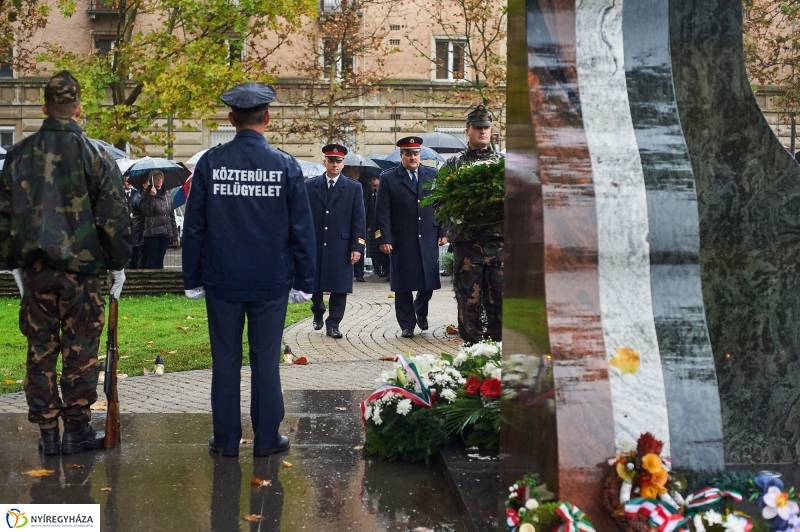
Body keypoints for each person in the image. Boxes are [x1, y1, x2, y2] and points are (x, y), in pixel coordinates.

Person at [182, 81, 316, 458]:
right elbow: (302, 229)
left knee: (225, 361)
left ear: (231, 119)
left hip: (222, 279)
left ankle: (225, 440)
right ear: (267, 118)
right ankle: (267, 438)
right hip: (270, 280)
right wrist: (305, 280)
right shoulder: (285, 164)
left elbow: (194, 226)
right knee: (265, 361)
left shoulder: (210, 163)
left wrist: (192, 278)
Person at [0, 70, 131, 455]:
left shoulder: (19, 155)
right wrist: (118, 264)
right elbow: (114, 216)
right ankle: (76, 430)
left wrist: (12, 263)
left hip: (36, 271)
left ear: (44, 108)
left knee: (40, 351)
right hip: (82, 274)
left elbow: (4, 215)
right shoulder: (96, 155)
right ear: (78, 109)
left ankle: (47, 434)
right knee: (81, 352)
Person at [375, 136, 447, 338]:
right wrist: (384, 238)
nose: (413, 157)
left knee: (428, 283)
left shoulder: (432, 175)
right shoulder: (389, 178)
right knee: (403, 285)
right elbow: (382, 211)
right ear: (402, 156)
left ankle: (420, 310)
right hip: (401, 239)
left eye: (416, 154)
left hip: (428, 236)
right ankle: (407, 324)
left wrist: (443, 231)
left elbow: (442, 205)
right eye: (408, 154)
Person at [444, 104, 504, 344]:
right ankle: (472, 350)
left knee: (500, 301)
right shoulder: (454, 164)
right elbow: (438, 200)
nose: (482, 131)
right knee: (468, 302)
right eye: (477, 127)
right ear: (467, 130)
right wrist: (460, 215)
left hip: (499, 245)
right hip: (468, 245)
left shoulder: (502, 163)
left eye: (486, 127)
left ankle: (498, 351)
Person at [305, 144, 366, 338]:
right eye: (331, 161)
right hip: (316, 243)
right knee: (315, 284)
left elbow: (359, 219)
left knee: (339, 287)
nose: (334, 165)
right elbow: (303, 216)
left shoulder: (354, 188)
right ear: (324, 162)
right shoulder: (310, 186)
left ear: (343, 163)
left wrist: (357, 246)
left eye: (338, 161)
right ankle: (317, 309)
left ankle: (334, 324)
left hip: (341, 245)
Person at [140, 170, 179, 269]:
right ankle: (150, 278)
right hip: (152, 233)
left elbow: (171, 216)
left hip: (165, 233)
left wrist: (174, 235)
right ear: (151, 180)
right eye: (156, 178)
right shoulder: (146, 194)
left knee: (160, 258)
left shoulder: (167, 196)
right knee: (152, 257)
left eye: (160, 178)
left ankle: (160, 277)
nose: (159, 180)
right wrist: (151, 196)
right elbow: (146, 212)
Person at [343, 165, 367, 282]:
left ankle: (359, 273)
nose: (357, 173)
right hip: (344, 226)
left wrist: (370, 224)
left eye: (358, 171)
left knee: (358, 248)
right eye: (354, 171)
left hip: (360, 223)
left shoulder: (361, 186)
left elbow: (368, 208)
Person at [365, 174, 388, 278]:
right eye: (374, 186)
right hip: (373, 227)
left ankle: (384, 268)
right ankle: (376, 268)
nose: (376, 187)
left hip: (380, 227)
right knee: (372, 248)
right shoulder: (370, 194)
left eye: (377, 185)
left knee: (381, 248)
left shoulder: (381, 195)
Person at [123, 175, 145, 268]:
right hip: (124, 227)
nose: (128, 183)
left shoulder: (136, 194)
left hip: (135, 228)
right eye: (126, 181)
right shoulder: (120, 194)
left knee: (135, 251)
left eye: (130, 181)